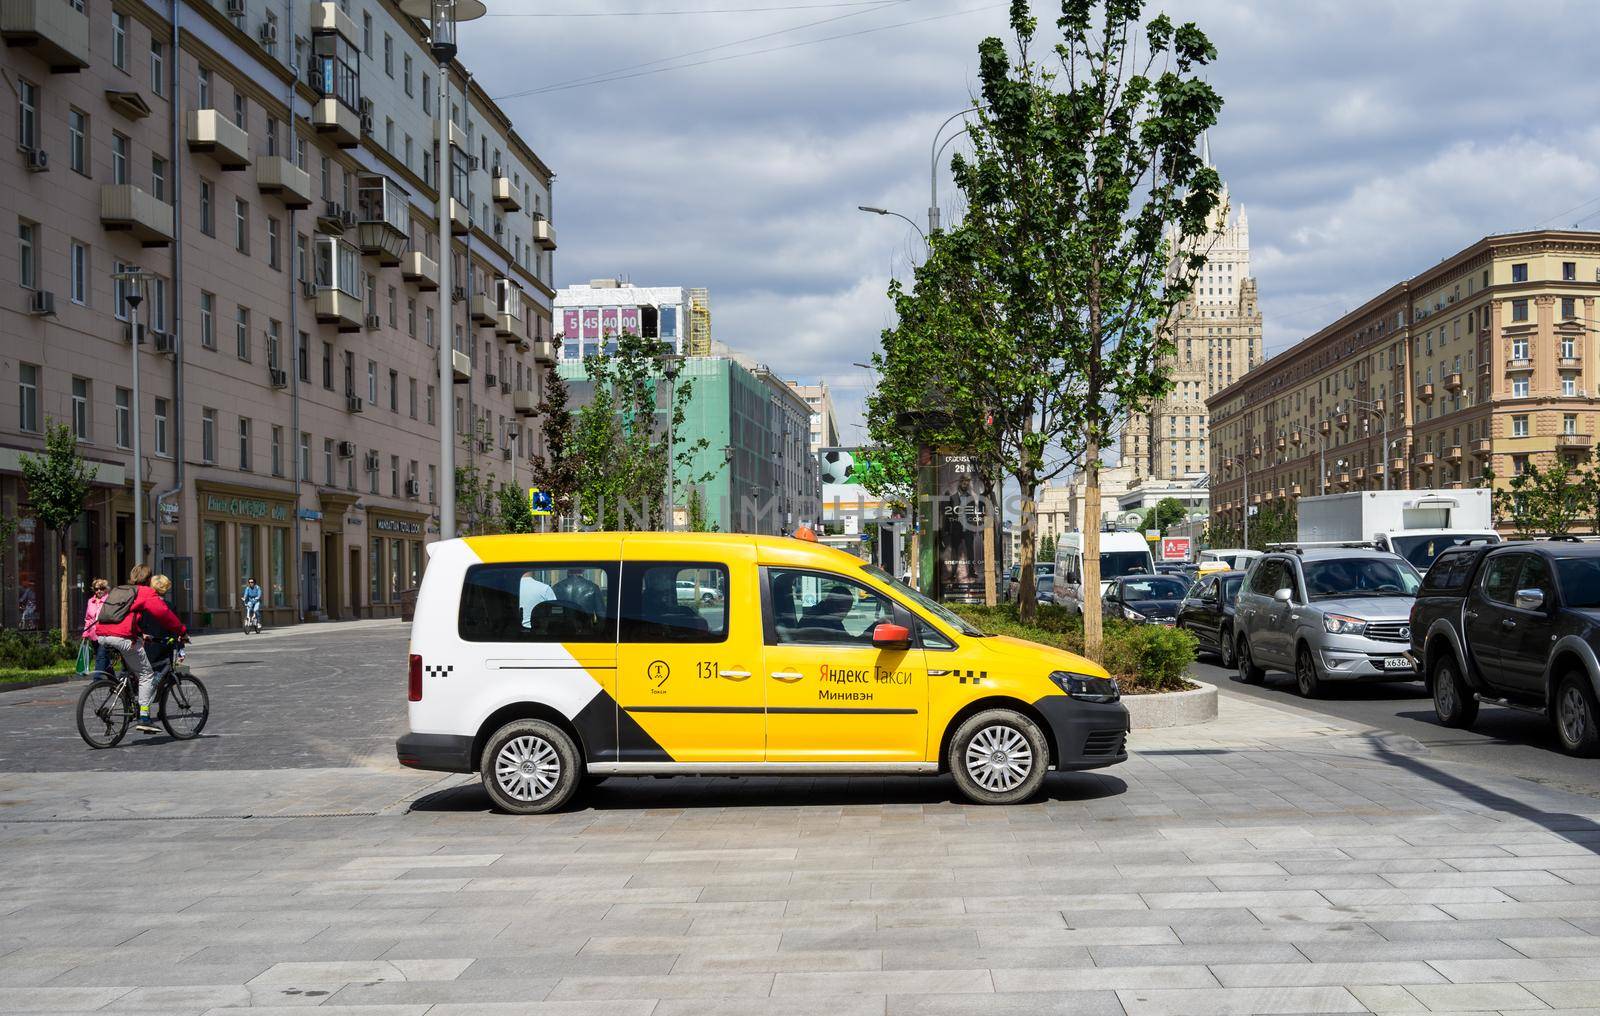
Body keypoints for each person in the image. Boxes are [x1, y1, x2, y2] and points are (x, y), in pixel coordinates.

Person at [96, 564, 188, 735]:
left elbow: (123, 615)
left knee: (132, 670)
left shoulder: (119, 589)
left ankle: (126, 696)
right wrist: (182, 631)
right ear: (148, 579)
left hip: (102, 635)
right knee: (147, 674)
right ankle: (144, 717)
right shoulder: (145, 592)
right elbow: (164, 614)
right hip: (122, 638)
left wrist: (139, 634)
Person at [82, 578, 111, 680]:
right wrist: (85, 634)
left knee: (101, 657)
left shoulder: (109, 600)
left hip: (105, 634)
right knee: (105, 661)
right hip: (93, 635)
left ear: (106, 589)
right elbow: (88, 619)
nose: (99, 591)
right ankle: (115, 683)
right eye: (96, 589)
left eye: (101, 588)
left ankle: (96, 681)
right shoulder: (91, 601)